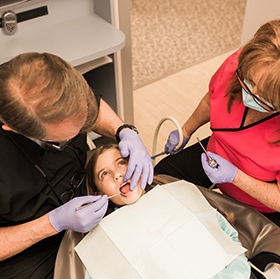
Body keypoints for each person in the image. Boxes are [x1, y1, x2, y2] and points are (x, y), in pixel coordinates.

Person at [0, 52, 153, 278]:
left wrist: (124, 130)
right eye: (61, 141)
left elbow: (92, 107)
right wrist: (51, 223)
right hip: (27, 247)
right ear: (14, 129)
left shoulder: (44, 79)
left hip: (81, 200)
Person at [154, 19, 280, 226]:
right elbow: (210, 99)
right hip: (215, 155)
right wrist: (185, 130)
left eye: (264, 97)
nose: (250, 93)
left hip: (262, 203)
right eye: (248, 82)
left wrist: (235, 177)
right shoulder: (241, 64)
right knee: (159, 179)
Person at [85, 143, 250, 279]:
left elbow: (228, 238)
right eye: (104, 174)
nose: (117, 175)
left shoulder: (179, 195)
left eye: (121, 163)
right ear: (100, 194)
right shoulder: (106, 237)